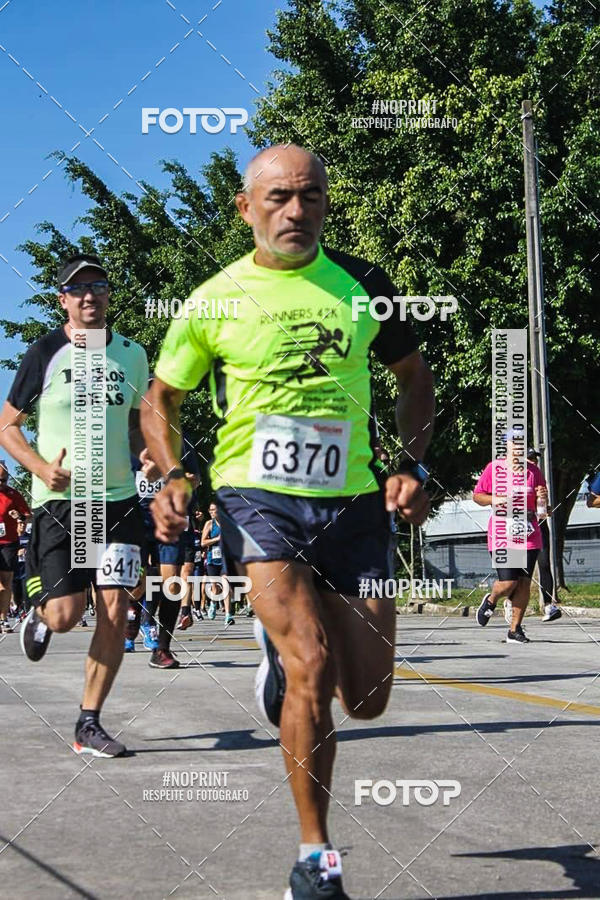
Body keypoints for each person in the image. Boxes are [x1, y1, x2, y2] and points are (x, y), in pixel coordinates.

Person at [141, 144, 433, 900]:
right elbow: (160, 397)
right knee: (311, 661)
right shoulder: (214, 299)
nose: (295, 211)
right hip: (257, 498)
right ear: (247, 208)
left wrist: (411, 463)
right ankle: (315, 858)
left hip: (355, 504)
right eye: (278, 197)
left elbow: (413, 377)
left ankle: (279, 659)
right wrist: (173, 475)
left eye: (310, 196)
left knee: (367, 699)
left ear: (326, 204)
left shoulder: (365, 287)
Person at [0, 253, 149, 757]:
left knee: (115, 610)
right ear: (62, 299)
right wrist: (41, 468)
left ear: (108, 295)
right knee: (67, 615)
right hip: (64, 503)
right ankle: (40, 614)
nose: (90, 296)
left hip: (118, 502)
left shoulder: (132, 355)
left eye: (98, 286)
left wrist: (149, 455)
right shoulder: (45, 352)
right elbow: (7, 426)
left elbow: (139, 424)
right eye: (78, 289)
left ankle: (89, 722)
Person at [473, 433, 549, 642]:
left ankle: (514, 630)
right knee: (509, 583)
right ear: (506, 445)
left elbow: (542, 510)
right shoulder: (494, 469)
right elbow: (477, 496)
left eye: (521, 442)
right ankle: (491, 599)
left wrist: (543, 499)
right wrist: (495, 499)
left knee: (524, 583)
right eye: (514, 442)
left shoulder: (533, 471)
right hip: (502, 532)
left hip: (528, 533)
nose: (518, 446)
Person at [526, 448, 561, 622]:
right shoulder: (515, 478)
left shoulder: (539, 477)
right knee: (522, 569)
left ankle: (548, 605)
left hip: (539, 525)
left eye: (535, 458)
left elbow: (543, 508)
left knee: (544, 563)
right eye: (530, 458)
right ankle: (511, 602)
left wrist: (546, 508)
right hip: (520, 526)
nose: (534, 461)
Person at [0, 467, 31, 632]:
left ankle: (3, 619)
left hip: (9, 542)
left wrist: (19, 517)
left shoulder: (13, 494)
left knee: (6, 582)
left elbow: (28, 515)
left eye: (4, 480)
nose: (1, 483)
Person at [201, 501, 234, 626]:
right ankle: (213, 603)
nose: (211, 512)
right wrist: (217, 539)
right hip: (212, 560)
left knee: (226, 584)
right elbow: (203, 542)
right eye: (210, 510)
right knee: (215, 588)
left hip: (225, 559)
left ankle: (228, 615)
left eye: (214, 509)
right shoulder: (209, 524)